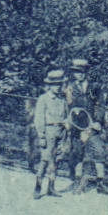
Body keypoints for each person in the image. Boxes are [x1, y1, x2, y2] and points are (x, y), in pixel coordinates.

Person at [68, 58, 108, 194]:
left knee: (99, 152)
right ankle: (77, 183)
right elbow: (68, 106)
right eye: (76, 72)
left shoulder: (95, 87)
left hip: (93, 127)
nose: (79, 74)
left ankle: (100, 184)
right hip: (78, 128)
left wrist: (98, 122)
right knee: (78, 154)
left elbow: (100, 105)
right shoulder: (70, 88)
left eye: (82, 72)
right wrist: (73, 112)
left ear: (86, 72)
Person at [33, 69, 71, 198]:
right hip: (49, 132)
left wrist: (66, 125)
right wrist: (41, 136)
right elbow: (39, 119)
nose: (58, 87)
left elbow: (66, 116)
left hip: (61, 132)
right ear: (49, 85)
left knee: (56, 160)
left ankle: (51, 187)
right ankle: (38, 188)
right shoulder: (43, 99)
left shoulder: (62, 100)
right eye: (55, 84)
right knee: (45, 160)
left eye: (60, 84)